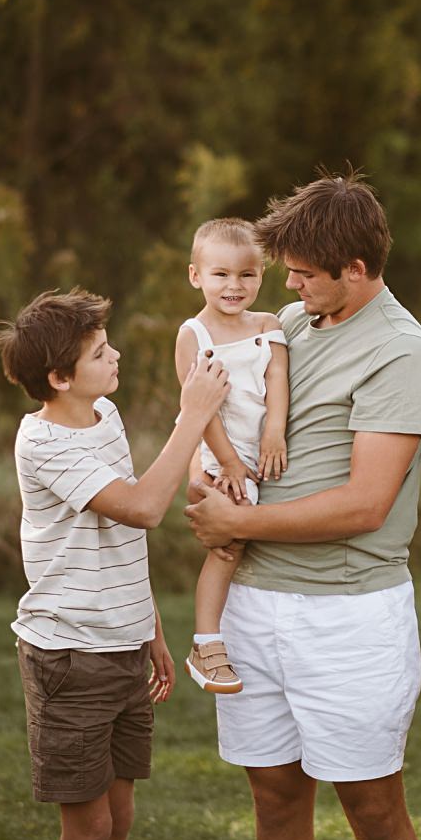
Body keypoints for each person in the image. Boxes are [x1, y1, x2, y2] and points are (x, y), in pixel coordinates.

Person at [186, 172, 421, 840]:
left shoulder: (402, 351)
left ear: (358, 268)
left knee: (373, 805)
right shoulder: (294, 324)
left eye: (302, 274)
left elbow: (366, 503)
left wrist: (236, 517)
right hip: (257, 603)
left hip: (350, 614)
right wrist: (216, 487)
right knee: (274, 795)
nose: (284, 288)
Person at [0, 287, 229, 840]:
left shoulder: (107, 416)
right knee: (88, 822)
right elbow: (142, 507)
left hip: (123, 641)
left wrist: (151, 626)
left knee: (119, 815)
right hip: (69, 652)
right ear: (60, 376)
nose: (115, 355)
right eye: (99, 351)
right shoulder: (44, 442)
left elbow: (125, 541)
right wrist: (194, 417)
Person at [173, 217, 289, 696]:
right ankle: (206, 643)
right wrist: (230, 463)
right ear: (196, 275)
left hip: (262, 444)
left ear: (262, 275)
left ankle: (246, 637)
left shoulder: (269, 325)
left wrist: (274, 434)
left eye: (247, 274)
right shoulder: (194, 335)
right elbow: (200, 410)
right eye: (220, 274)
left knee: (242, 541)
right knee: (229, 546)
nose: (235, 285)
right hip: (222, 451)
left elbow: (276, 381)